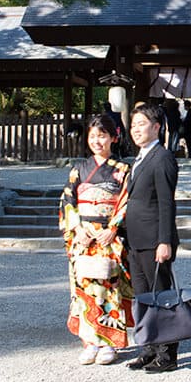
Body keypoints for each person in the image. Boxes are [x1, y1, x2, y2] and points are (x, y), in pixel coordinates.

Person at [59, 115, 133, 366]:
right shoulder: (78, 168)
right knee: (83, 288)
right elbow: (68, 201)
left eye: (102, 135)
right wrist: (76, 228)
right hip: (83, 237)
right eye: (92, 136)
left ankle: (110, 343)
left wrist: (113, 228)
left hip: (106, 235)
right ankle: (90, 341)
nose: (97, 141)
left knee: (108, 287)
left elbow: (125, 202)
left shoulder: (122, 170)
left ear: (114, 137)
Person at [124, 102, 181, 373]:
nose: (136, 130)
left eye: (141, 124)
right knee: (142, 296)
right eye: (133, 125)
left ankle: (167, 353)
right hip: (135, 240)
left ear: (156, 127)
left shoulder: (163, 157)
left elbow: (166, 203)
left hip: (155, 240)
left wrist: (165, 241)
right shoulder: (139, 158)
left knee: (161, 296)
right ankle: (148, 347)